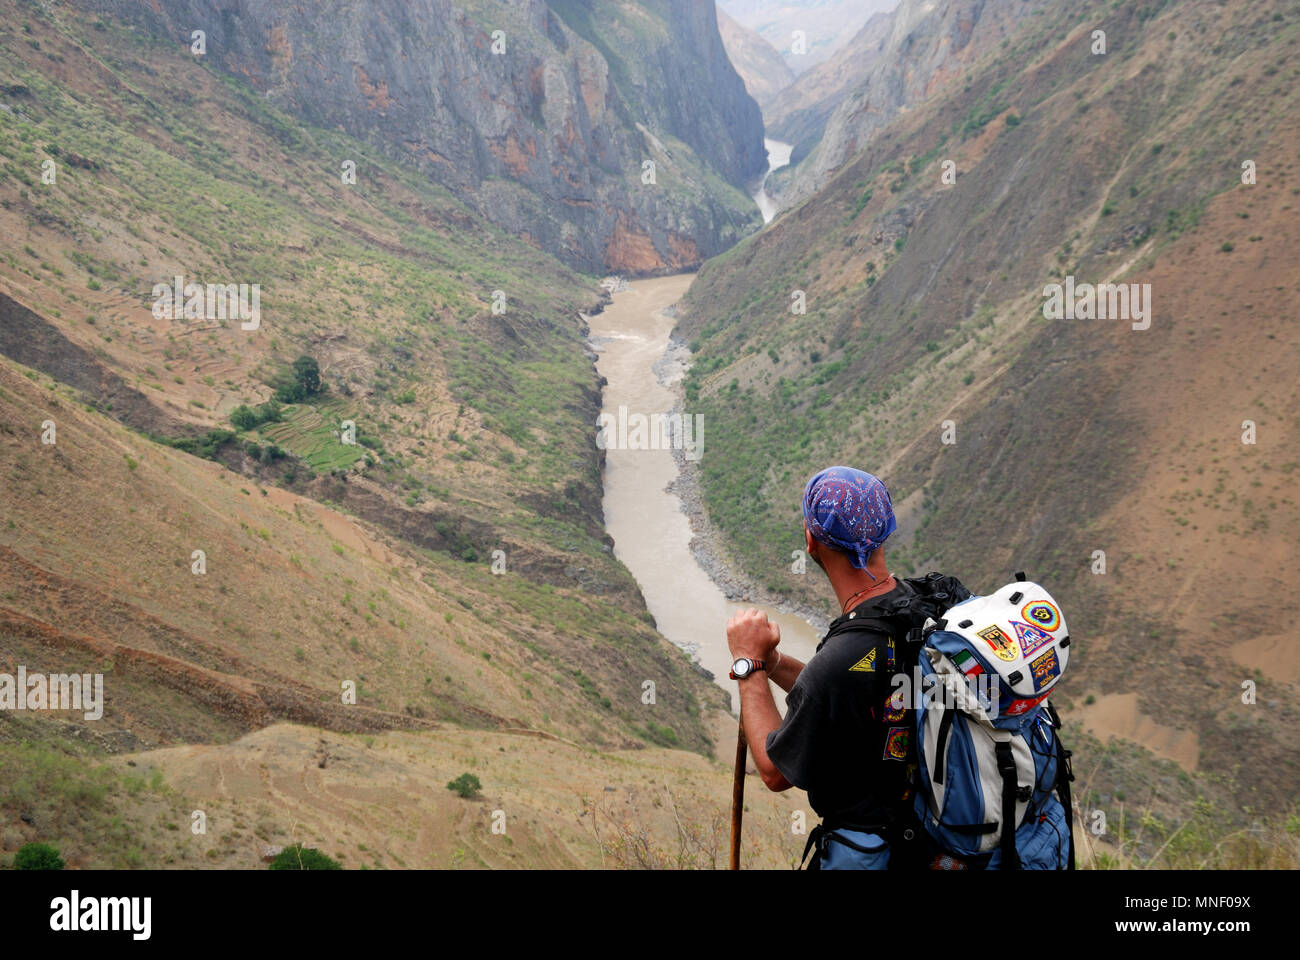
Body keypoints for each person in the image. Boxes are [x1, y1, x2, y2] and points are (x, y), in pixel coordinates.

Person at [725, 465, 946, 869]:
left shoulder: (844, 659)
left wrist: (749, 665)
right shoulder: (926, 605)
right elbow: (840, 695)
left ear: (811, 541)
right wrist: (774, 663)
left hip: (874, 854)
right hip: (936, 838)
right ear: (886, 528)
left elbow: (776, 772)